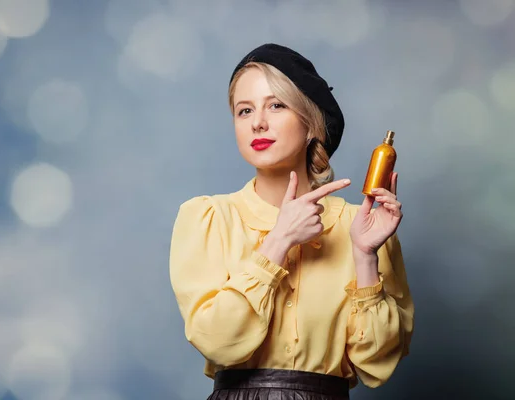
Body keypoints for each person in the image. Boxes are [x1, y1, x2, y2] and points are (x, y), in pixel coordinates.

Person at [169, 43, 414, 400]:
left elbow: (376, 363)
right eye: (244, 110)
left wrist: (365, 257)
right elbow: (216, 343)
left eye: (277, 105)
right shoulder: (207, 218)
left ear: (311, 122)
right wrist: (278, 242)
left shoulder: (361, 225)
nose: (258, 123)